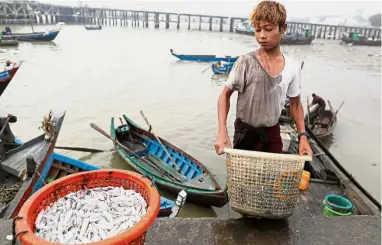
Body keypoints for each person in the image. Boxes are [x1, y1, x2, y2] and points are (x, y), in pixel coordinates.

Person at [214, 0, 312, 156]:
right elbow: (224, 96)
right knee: (242, 179)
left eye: (268, 29)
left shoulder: (292, 67)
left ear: (283, 28)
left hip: (272, 133)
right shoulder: (245, 62)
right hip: (245, 132)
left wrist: (303, 136)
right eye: (257, 30)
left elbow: (295, 104)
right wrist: (222, 131)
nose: (262, 36)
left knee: (273, 179)